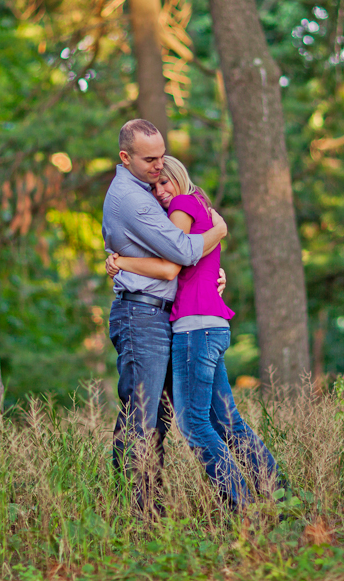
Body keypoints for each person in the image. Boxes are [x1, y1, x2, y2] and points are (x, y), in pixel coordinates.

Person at [106, 155, 282, 511]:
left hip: (195, 328)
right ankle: (280, 497)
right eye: (154, 187)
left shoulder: (183, 206)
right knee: (227, 420)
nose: (160, 192)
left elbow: (174, 263)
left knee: (195, 424)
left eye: (165, 182)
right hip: (212, 324)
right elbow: (195, 263)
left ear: (180, 178)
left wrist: (120, 261)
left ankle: (243, 508)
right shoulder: (200, 207)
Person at [102, 120, 228, 514]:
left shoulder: (149, 195)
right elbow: (181, 254)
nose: (159, 166)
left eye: (162, 156)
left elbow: (180, 265)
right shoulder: (132, 199)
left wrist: (210, 280)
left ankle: (152, 505)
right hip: (140, 315)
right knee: (141, 414)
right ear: (126, 158)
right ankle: (138, 512)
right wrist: (220, 229)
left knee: (163, 415)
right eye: (150, 159)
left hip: (164, 316)